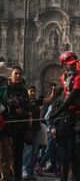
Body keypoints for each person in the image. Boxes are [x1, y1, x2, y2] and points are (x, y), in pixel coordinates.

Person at [49, 51, 80, 181]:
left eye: (74, 64)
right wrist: (55, 116)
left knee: (77, 149)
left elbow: (71, 98)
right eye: (69, 64)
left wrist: (56, 113)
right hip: (68, 115)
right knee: (65, 151)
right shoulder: (63, 77)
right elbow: (64, 97)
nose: (73, 66)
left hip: (78, 115)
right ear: (64, 65)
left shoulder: (79, 77)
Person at [6, 67, 30, 181]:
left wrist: (23, 111)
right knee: (7, 153)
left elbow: (28, 106)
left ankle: (18, 177)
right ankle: (5, 176)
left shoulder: (24, 91)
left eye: (20, 74)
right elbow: (3, 105)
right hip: (8, 126)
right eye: (16, 74)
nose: (18, 76)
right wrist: (13, 110)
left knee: (18, 154)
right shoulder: (6, 89)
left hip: (20, 127)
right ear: (11, 75)